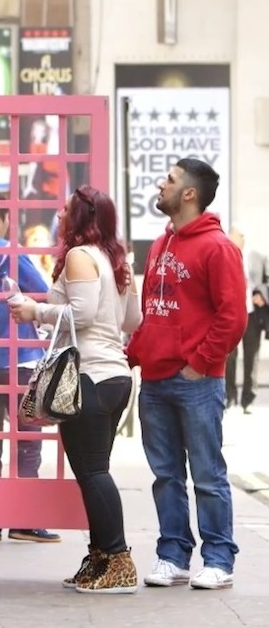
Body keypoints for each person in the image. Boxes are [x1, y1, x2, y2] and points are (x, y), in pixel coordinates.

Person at [10, 185, 141, 593]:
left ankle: (118, 561)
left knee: (93, 472)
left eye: (65, 210)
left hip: (91, 376)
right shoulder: (115, 260)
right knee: (92, 472)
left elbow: (80, 315)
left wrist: (35, 310)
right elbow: (132, 320)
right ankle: (101, 559)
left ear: (81, 218)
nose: (59, 215)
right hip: (114, 376)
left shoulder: (82, 256)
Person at [126, 158, 247, 590]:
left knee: (209, 475)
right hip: (155, 382)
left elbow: (233, 318)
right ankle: (173, 555)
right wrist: (133, 356)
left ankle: (219, 558)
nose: (162, 184)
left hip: (196, 382)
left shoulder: (217, 247)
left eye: (171, 180)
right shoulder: (160, 246)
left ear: (189, 194)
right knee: (166, 476)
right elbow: (151, 315)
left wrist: (199, 364)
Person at [0, 189, 61, 544]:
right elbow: (42, 292)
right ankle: (24, 519)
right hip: (19, 357)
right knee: (27, 440)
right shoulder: (9, 252)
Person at [225, 224, 269, 413]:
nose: (236, 240)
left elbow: (266, 281)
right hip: (231, 314)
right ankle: (230, 397)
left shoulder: (257, 257)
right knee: (229, 356)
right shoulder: (224, 257)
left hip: (252, 314)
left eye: (239, 236)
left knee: (251, 356)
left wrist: (263, 295)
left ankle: (248, 399)